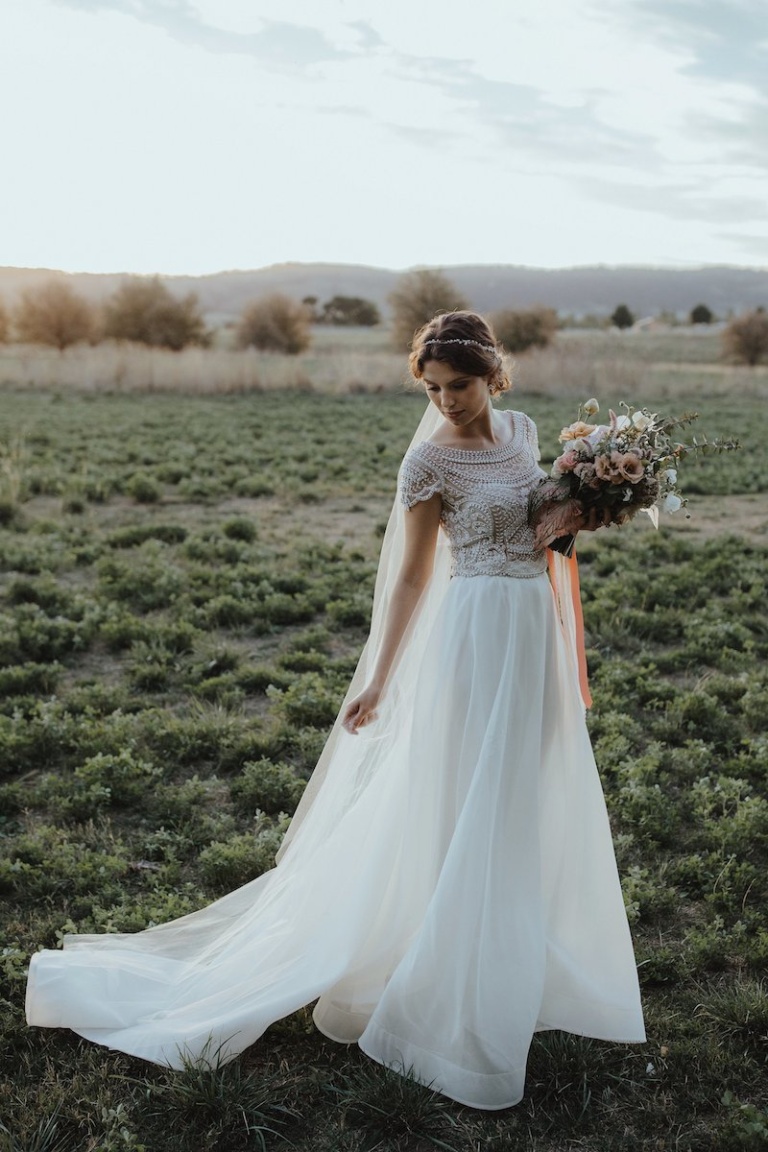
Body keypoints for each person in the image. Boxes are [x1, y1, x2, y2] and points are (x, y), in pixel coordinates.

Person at [26, 311, 645, 1111]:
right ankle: (445, 990)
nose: (447, 401)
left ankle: (507, 966)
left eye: (459, 385)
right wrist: (380, 677)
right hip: (472, 636)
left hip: (533, 634)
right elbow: (415, 578)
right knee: (466, 799)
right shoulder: (427, 464)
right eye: (432, 388)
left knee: (521, 794)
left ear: (494, 376)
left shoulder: (527, 435)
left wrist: (579, 516)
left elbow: (539, 532)